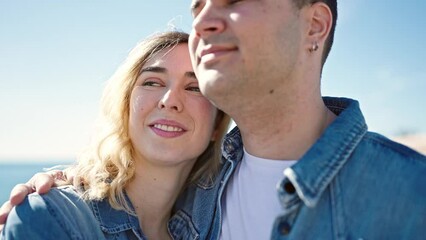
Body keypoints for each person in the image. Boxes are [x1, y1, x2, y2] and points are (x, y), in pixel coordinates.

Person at [2, 0, 426, 239]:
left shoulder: (410, 198)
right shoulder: (202, 196)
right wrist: (60, 196)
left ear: (314, 25)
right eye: (199, 5)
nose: (202, 19)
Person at [0, 31, 230, 239]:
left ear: (217, 125)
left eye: (194, 87)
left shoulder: (219, 225)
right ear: (124, 106)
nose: (170, 101)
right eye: (152, 82)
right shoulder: (52, 218)